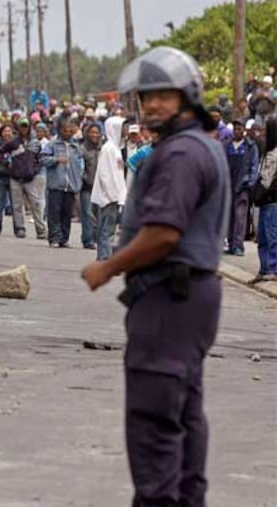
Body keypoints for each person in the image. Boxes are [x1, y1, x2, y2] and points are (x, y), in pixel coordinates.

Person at [82, 46, 230, 507]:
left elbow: (164, 233)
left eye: (162, 96)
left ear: (188, 95)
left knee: (155, 421)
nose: (150, 106)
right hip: (187, 296)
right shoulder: (197, 144)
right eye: (145, 97)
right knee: (183, 413)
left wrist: (107, 266)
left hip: (171, 296)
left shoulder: (182, 152)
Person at [0, 118, 47, 239]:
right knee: (17, 206)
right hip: (15, 178)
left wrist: (36, 169)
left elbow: (42, 157)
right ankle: (20, 228)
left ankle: (41, 230)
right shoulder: (13, 142)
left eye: (25, 126)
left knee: (36, 204)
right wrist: (7, 164)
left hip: (30, 178)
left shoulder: (35, 143)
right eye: (22, 126)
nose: (24, 129)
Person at [40, 116, 85, 248]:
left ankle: (64, 239)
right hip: (56, 185)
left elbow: (80, 163)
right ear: (60, 131)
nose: (68, 133)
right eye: (65, 130)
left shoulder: (75, 146)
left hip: (70, 186)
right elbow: (42, 159)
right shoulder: (52, 145)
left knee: (66, 214)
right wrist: (56, 160)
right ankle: (54, 237)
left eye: (70, 130)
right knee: (54, 212)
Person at [91, 116, 127, 261]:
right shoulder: (108, 149)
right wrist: (112, 195)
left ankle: (106, 256)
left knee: (110, 229)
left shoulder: (116, 149)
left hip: (116, 195)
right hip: (109, 196)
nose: (125, 130)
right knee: (106, 230)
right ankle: (104, 257)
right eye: (122, 127)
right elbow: (104, 175)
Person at [223, 119, 260, 256]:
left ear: (244, 130)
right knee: (229, 217)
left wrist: (250, 183)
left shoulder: (250, 146)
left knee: (240, 217)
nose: (237, 131)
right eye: (235, 128)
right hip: (228, 185)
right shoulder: (226, 145)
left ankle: (238, 245)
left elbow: (254, 167)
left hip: (242, 187)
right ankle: (231, 243)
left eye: (240, 128)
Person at [250, 116, 277, 283]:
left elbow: (267, 179)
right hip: (264, 201)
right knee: (262, 237)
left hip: (273, 200)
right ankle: (264, 268)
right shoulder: (267, 151)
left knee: (272, 235)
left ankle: (274, 269)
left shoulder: (275, 154)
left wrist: (259, 192)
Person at [80, 123, 102, 249]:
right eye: (92, 132)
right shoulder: (83, 149)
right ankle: (87, 240)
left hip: (100, 187)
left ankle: (96, 238)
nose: (94, 135)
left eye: (96, 132)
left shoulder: (103, 148)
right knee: (87, 214)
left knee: (99, 215)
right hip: (87, 186)